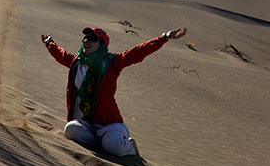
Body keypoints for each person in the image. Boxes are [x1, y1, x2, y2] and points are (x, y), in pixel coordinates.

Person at [40, 26, 187, 157]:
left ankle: (129, 147)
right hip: (87, 123)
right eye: (85, 37)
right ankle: (101, 145)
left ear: (102, 44)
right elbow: (61, 54)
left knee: (112, 145)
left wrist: (164, 38)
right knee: (71, 129)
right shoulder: (77, 62)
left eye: (92, 38)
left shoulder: (112, 62)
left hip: (108, 124)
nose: (86, 40)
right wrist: (49, 43)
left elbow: (137, 52)